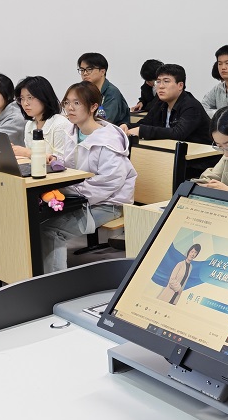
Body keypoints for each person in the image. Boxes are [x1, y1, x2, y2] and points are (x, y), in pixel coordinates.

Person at [40, 81, 137, 273]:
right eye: (67, 102)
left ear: (93, 107)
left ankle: (55, 283)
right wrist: (56, 162)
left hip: (108, 203)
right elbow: (72, 165)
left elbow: (110, 182)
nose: (70, 108)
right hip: (80, 197)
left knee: (52, 230)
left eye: (76, 103)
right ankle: (37, 275)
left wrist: (69, 191)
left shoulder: (108, 140)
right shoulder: (73, 132)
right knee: (36, 222)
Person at [121, 63, 211, 143]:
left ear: (180, 85)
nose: (160, 86)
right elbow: (146, 123)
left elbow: (178, 133)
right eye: (158, 81)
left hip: (201, 154)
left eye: (166, 81)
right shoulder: (161, 103)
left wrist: (142, 131)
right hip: (172, 151)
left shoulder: (191, 106)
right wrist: (127, 126)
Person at [13, 76, 73, 158]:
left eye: (30, 98)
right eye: (22, 98)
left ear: (44, 97)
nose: (25, 103)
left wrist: (25, 152)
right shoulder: (29, 125)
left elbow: (59, 161)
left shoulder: (60, 124)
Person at [77, 52, 130, 127]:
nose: (85, 73)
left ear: (102, 72)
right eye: (82, 70)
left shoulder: (112, 92)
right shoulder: (83, 90)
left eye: (89, 69)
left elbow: (105, 121)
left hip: (111, 131)